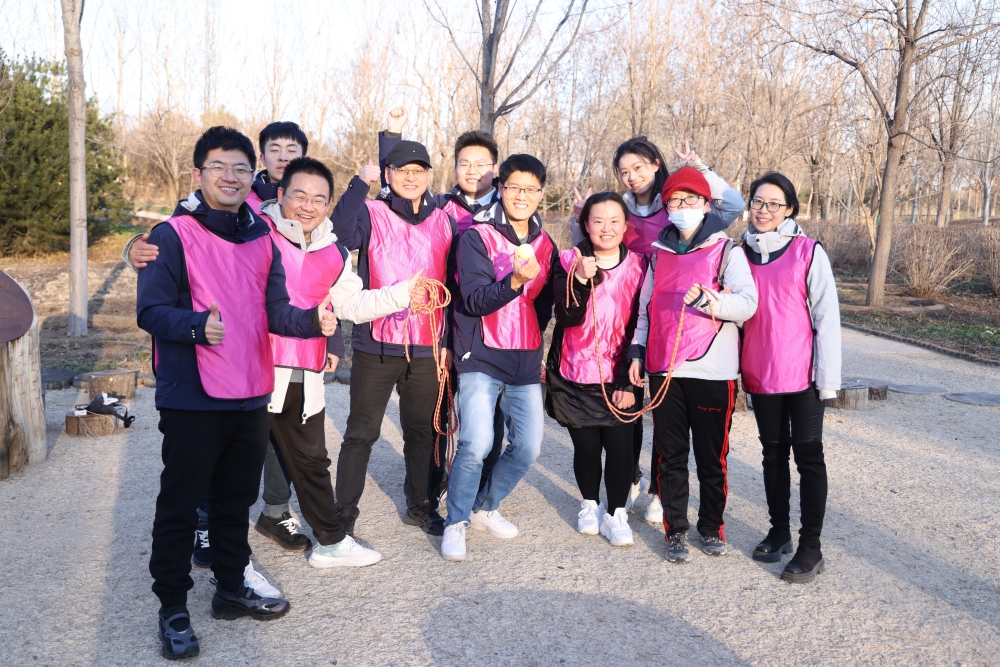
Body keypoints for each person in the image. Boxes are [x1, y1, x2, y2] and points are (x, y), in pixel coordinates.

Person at [125, 122, 370, 569]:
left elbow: (310, 288)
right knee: (204, 472)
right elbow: (176, 237)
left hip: (268, 362)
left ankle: (244, 557)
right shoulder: (249, 208)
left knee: (260, 464)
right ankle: (193, 566)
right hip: (212, 367)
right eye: (275, 149)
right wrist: (133, 250)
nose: (282, 155)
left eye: (291, 149)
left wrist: (325, 331)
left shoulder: (265, 226)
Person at [137, 127, 338, 659]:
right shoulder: (171, 235)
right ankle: (173, 607)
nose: (230, 176)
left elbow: (275, 311)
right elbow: (150, 311)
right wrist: (195, 326)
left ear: (254, 177)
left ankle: (230, 587)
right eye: (219, 166)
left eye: (241, 168)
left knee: (235, 501)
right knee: (182, 505)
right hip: (193, 394)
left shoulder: (261, 238)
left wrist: (312, 322)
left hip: (251, 391)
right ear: (198, 173)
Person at [571, 138, 745, 525]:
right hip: (629, 313)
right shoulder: (621, 210)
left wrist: (700, 169)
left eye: (638, 167)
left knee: (665, 415)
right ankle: (631, 474)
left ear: (655, 163)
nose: (632, 177)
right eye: (624, 171)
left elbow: (733, 206)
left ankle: (657, 489)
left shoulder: (678, 205)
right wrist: (579, 218)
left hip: (673, 316)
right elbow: (591, 244)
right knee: (630, 403)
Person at [328, 138, 458, 539]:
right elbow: (338, 235)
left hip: (427, 344)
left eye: (419, 170)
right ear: (389, 174)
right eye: (402, 170)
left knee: (422, 432)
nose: (411, 177)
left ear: (428, 175)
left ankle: (420, 503)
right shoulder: (371, 212)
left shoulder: (445, 219)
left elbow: (455, 283)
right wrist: (359, 184)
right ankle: (344, 511)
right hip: (377, 343)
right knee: (361, 433)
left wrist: (449, 342)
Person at [377, 108, 507, 509]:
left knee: (488, 415)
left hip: (494, 329)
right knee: (440, 410)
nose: (473, 171)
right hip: (445, 325)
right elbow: (395, 184)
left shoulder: (511, 210)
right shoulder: (439, 207)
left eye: (481, 164)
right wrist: (392, 135)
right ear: (454, 168)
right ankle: (431, 487)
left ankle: (479, 493)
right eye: (464, 163)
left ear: (495, 169)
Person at [628, 166, 755, 563]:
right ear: (666, 207)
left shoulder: (727, 251)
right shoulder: (658, 256)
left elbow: (748, 303)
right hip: (665, 369)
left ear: (705, 204)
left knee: (712, 457)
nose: (682, 206)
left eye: (691, 199)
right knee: (670, 456)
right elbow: (645, 310)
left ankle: (711, 527)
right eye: (674, 201)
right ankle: (676, 530)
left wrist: (709, 300)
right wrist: (637, 351)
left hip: (712, 370)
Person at [441, 154, 558, 562]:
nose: (522, 196)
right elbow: (474, 300)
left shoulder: (546, 244)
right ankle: (455, 521)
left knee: (528, 446)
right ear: (500, 188)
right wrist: (514, 282)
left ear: (541, 194)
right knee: (476, 442)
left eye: (531, 189)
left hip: (524, 360)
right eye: (514, 187)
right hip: (481, 356)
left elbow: (544, 306)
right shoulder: (478, 236)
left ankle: (485, 506)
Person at [740, 172, 840, 584]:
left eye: (774, 204)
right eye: (757, 202)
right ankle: (779, 531)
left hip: (803, 376)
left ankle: (811, 547)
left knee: (808, 458)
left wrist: (827, 379)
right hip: (761, 372)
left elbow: (826, 318)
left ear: (790, 210)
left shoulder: (808, 252)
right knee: (772, 454)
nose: (763, 210)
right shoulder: (739, 254)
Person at [545, 192, 646, 546]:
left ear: (626, 225)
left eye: (614, 221)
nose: (606, 228)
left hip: (621, 376)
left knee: (620, 449)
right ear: (585, 224)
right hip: (575, 373)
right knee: (586, 449)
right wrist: (578, 280)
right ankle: (590, 504)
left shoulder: (640, 266)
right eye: (598, 221)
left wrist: (628, 383)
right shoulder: (568, 260)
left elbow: (641, 324)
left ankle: (616, 513)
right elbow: (566, 317)